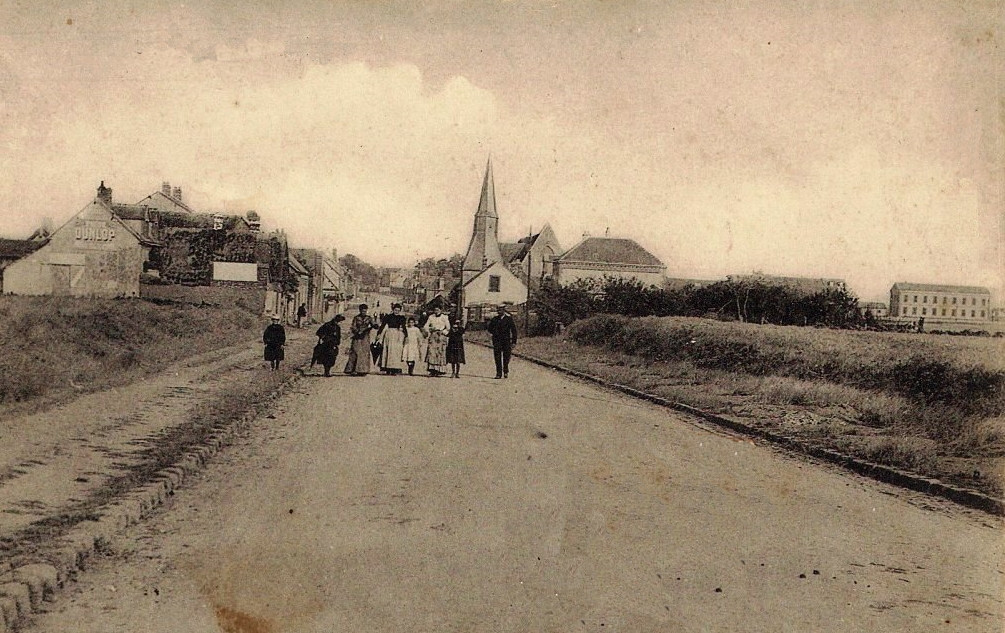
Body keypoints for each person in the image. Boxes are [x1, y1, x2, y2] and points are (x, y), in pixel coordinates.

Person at [343, 304, 377, 376]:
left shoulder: (369, 318)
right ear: (360, 310)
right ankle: (352, 369)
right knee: (355, 352)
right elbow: (353, 326)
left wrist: (374, 326)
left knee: (364, 353)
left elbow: (374, 324)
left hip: (365, 337)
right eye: (362, 311)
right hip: (357, 336)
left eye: (365, 311)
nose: (364, 312)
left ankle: (363, 370)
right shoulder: (356, 318)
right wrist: (357, 331)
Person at [486, 304, 518, 378]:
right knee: (497, 357)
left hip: (506, 341)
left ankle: (505, 370)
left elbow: (514, 331)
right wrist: (494, 333)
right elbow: (489, 328)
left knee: (506, 356)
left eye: (500, 309)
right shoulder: (494, 319)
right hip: (497, 341)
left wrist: (514, 342)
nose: (499, 311)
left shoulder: (509, 319)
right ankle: (498, 373)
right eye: (498, 310)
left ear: (504, 310)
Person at [375, 303, 407, 375]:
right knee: (387, 350)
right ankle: (387, 368)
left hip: (397, 335)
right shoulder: (388, 317)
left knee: (396, 352)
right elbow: (382, 326)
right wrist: (378, 334)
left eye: (398, 310)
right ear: (393, 310)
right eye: (395, 310)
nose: (397, 312)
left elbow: (404, 327)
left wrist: (406, 336)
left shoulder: (401, 318)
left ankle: (394, 368)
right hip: (389, 334)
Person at [423, 305, 451, 376]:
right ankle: (432, 370)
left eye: (438, 310)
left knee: (440, 352)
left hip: (441, 336)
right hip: (433, 335)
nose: (436, 311)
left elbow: (448, 328)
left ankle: (439, 370)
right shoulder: (431, 317)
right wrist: (430, 329)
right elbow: (426, 326)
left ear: (441, 310)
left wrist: (443, 332)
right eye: (435, 310)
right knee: (432, 352)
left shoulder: (444, 317)